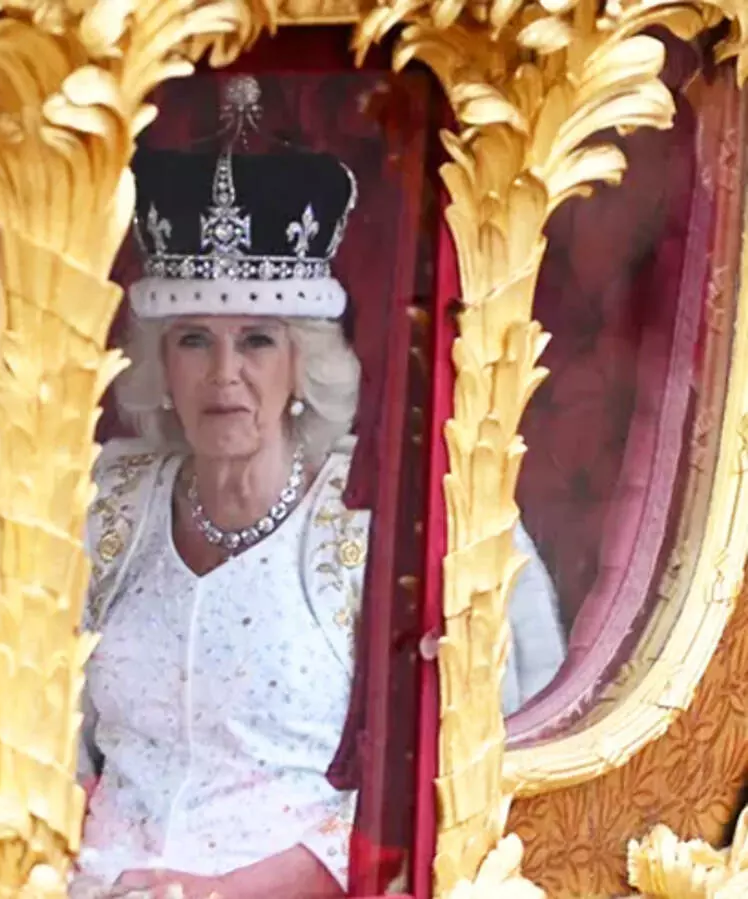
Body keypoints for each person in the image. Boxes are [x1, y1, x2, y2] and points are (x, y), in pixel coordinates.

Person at [70, 81, 566, 899]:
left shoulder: (381, 517)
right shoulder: (104, 501)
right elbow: (47, 738)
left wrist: (215, 891)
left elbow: (435, 788)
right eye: (195, 340)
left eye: (256, 340)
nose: (224, 374)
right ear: (162, 362)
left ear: (302, 361)